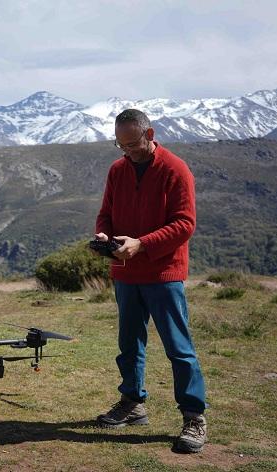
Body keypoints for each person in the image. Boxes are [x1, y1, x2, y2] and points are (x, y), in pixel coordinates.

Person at [94, 109, 207, 453]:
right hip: (125, 272)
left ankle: (194, 418)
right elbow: (106, 213)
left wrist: (142, 244)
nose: (128, 152)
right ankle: (132, 403)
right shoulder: (117, 170)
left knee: (179, 348)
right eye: (121, 145)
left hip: (163, 273)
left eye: (133, 144)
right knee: (129, 343)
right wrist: (104, 235)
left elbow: (185, 224)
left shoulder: (175, 169)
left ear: (150, 133)